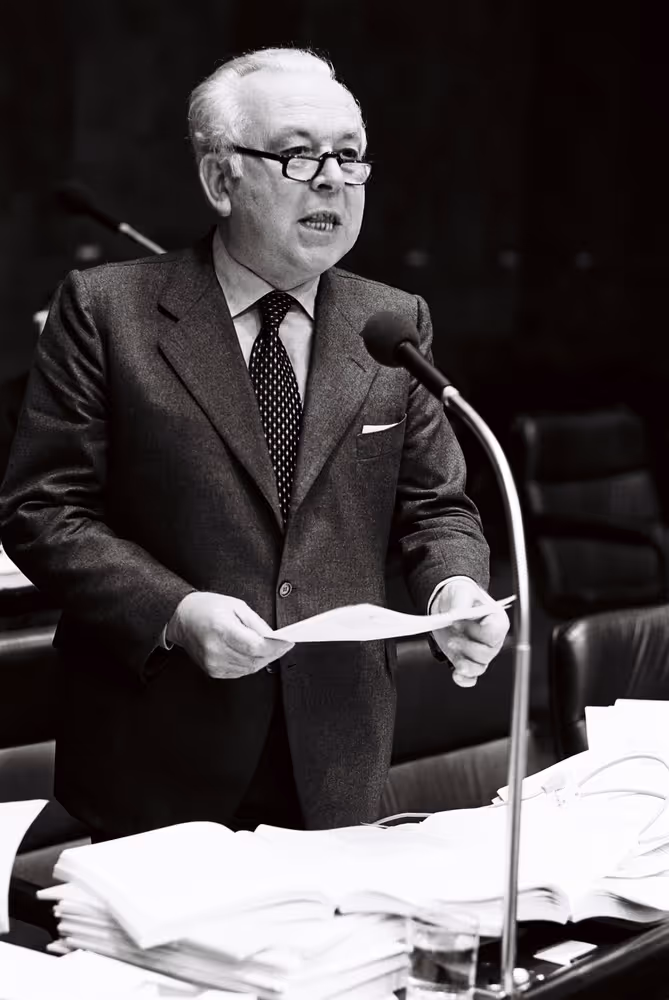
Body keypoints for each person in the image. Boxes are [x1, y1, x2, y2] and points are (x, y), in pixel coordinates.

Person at [0, 47, 509, 838]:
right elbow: (44, 508)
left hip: (336, 752)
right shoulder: (109, 310)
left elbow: (434, 506)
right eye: (300, 155)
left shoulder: (390, 322)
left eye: (348, 155)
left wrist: (452, 591)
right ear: (219, 178)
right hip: (157, 754)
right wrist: (175, 609)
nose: (332, 179)